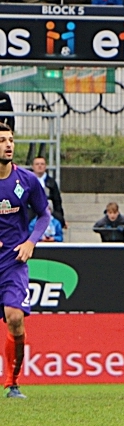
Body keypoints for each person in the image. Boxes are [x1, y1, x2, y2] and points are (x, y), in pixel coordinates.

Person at [0, 121, 52, 398]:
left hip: (13, 261)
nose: (8, 145)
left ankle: (13, 381)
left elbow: (44, 214)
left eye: (10, 140)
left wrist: (31, 242)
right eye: (1, 140)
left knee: (15, 317)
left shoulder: (27, 180)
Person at [30, 156, 65, 229]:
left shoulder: (51, 182)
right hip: (32, 210)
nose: (40, 166)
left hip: (48, 209)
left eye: (42, 164)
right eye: (37, 164)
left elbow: (57, 201)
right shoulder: (27, 181)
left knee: (60, 220)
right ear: (32, 166)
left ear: (45, 166)